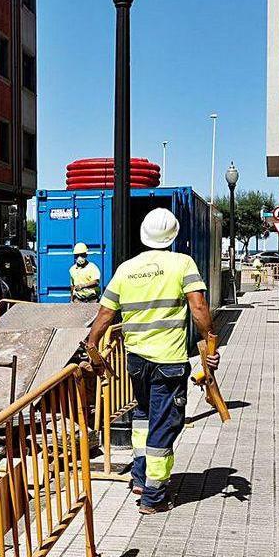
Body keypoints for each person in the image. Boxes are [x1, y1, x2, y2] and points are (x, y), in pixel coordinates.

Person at [83, 208, 219, 514]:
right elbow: (198, 307)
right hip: (168, 361)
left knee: (143, 417)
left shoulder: (126, 269)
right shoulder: (182, 264)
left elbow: (105, 314)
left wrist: (92, 345)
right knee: (163, 422)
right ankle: (154, 497)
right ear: (172, 236)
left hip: (137, 360)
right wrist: (210, 339)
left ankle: (141, 478)